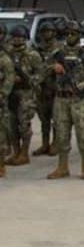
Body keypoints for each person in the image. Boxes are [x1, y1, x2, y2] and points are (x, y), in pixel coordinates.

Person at [47, 21, 84, 180]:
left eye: (73, 34)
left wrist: (82, 85)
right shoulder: (57, 55)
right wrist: (53, 68)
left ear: (79, 35)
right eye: (67, 33)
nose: (70, 36)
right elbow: (42, 71)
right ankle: (62, 167)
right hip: (61, 99)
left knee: (83, 133)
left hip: (79, 100)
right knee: (61, 134)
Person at [6, 25, 43, 166]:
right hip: (10, 92)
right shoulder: (7, 53)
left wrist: (28, 79)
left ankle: (24, 153)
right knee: (11, 124)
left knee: (24, 124)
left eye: (20, 37)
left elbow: (41, 73)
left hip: (26, 93)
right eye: (14, 37)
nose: (17, 40)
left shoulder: (32, 54)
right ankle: (15, 151)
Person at [32, 20, 60, 157]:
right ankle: (45, 143)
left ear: (54, 33)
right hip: (41, 89)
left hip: (55, 88)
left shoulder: (60, 49)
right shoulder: (37, 49)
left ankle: (55, 143)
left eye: (48, 31)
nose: (46, 34)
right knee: (44, 119)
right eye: (43, 32)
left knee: (57, 118)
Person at [0, 30, 13, 178]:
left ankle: (1, 164)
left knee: (1, 134)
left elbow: (9, 78)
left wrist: (2, 94)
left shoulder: (4, 59)